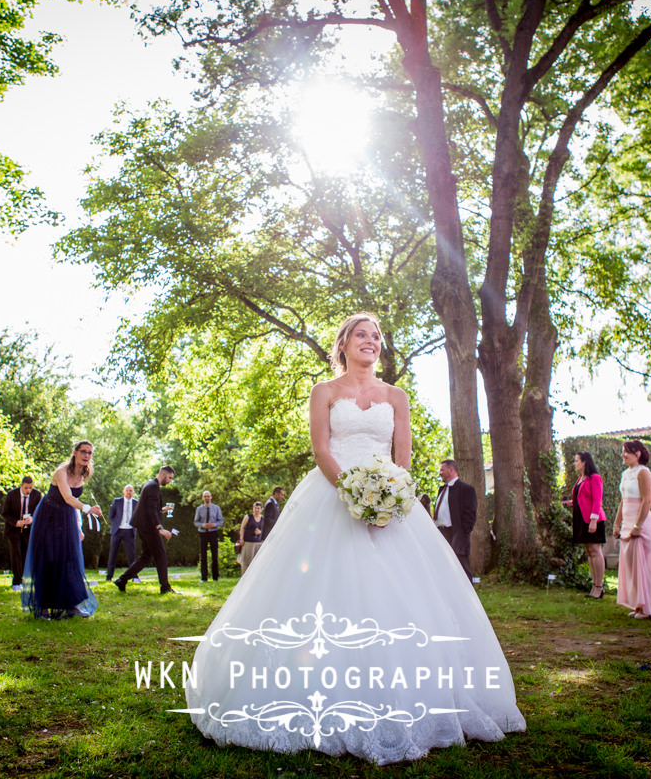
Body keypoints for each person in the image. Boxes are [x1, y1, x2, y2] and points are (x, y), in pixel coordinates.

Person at [185, 312, 525, 763]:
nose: (371, 341)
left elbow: (402, 457)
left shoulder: (396, 396)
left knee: (407, 595)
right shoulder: (324, 392)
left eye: (377, 336)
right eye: (361, 335)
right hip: (331, 495)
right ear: (343, 343)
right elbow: (322, 449)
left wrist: (390, 500)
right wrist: (353, 494)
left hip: (391, 502)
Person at [21, 441, 102, 619]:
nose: (86, 456)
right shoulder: (61, 472)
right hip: (48, 516)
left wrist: (78, 527)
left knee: (69, 559)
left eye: (90, 453)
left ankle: (71, 605)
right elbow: (67, 497)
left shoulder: (83, 473)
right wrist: (88, 509)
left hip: (67, 517)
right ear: (74, 452)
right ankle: (42, 607)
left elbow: (72, 505)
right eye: (83, 452)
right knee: (48, 558)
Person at [114, 466, 177, 594]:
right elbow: (150, 510)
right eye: (170, 478)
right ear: (163, 474)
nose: (170, 481)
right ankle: (165, 587)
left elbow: (151, 507)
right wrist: (160, 528)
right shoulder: (153, 487)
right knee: (161, 555)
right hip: (149, 527)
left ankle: (122, 580)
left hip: (143, 526)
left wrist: (162, 509)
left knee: (146, 557)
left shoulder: (150, 484)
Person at [614, 440, 651, 619]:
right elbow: (623, 501)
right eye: (623, 452)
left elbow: (647, 501)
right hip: (627, 522)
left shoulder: (643, 472)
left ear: (637, 454)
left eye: (626, 452)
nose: (623, 455)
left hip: (641, 522)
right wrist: (617, 524)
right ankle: (637, 604)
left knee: (643, 565)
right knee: (631, 566)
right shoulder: (625, 474)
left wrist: (638, 526)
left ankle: (646, 608)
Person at [563, 451, 606, 599]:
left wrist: (593, 520)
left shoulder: (595, 478)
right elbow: (581, 499)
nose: (574, 463)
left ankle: (599, 587)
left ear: (584, 462)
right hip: (581, 519)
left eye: (576, 461)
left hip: (593, 520)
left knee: (595, 550)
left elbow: (597, 500)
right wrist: (570, 503)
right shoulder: (580, 479)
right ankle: (594, 586)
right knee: (588, 551)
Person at [434, 458, 477, 579]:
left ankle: (468, 596)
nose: (440, 473)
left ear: (451, 470)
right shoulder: (442, 490)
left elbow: (470, 516)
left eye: (442, 470)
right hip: (441, 534)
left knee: (462, 568)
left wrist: (461, 535)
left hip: (456, 534)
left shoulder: (466, 489)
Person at [0, 476, 41, 590]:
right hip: (14, 529)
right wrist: (17, 522)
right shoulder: (11, 495)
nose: (29, 490)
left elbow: (39, 511)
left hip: (29, 529)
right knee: (16, 553)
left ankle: (28, 579)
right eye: (26, 488)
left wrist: (32, 518)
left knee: (27, 553)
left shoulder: (37, 495)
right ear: (21, 486)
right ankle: (17, 582)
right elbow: (5, 514)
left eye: (31, 488)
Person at [106, 485, 137, 581]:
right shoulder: (117, 501)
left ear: (133, 492)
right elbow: (111, 516)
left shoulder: (137, 503)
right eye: (127, 490)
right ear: (123, 492)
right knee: (113, 554)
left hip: (130, 531)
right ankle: (109, 577)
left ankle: (134, 577)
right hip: (117, 531)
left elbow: (139, 516)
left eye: (130, 490)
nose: (128, 492)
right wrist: (117, 524)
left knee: (131, 555)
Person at [194, 490, 224, 582]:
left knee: (214, 555)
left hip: (213, 532)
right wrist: (203, 525)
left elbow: (221, 521)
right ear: (203, 498)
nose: (207, 498)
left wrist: (214, 525)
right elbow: (195, 522)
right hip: (203, 533)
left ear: (211, 497)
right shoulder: (199, 509)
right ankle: (204, 577)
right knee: (203, 555)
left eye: (208, 496)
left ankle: (215, 577)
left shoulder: (216, 508)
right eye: (205, 496)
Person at [235, 501, 265, 573]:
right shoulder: (248, 516)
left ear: (261, 509)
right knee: (246, 561)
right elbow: (242, 527)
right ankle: (244, 577)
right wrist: (241, 538)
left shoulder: (263, 519)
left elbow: (265, 530)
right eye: (255, 508)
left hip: (258, 542)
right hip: (248, 542)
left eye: (258, 508)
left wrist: (260, 532)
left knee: (256, 561)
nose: (256, 510)